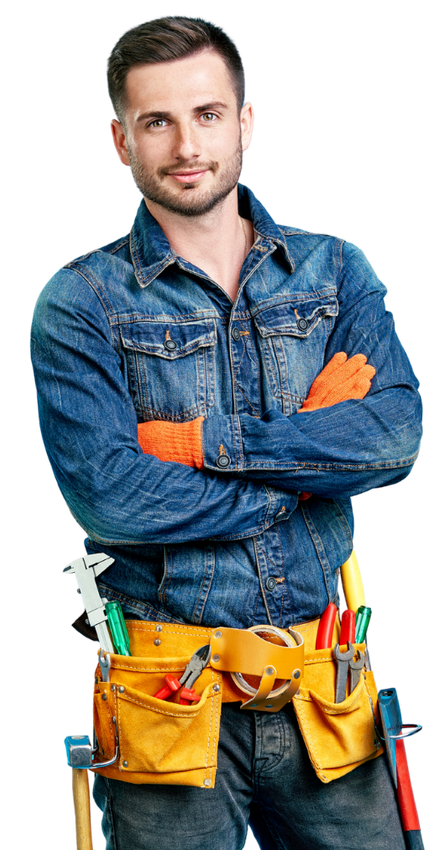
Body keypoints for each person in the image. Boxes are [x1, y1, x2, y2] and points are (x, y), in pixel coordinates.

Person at [30, 15, 423, 850]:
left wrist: (193, 444)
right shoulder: (79, 302)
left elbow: (393, 439)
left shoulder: (336, 269)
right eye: (157, 121)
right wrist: (311, 465)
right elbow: (113, 501)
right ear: (120, 140)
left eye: (207, 114)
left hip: (328, 691)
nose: (186, 146)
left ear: (245, 123)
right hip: (167, 701)